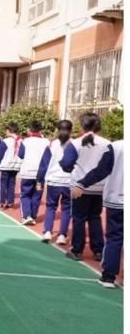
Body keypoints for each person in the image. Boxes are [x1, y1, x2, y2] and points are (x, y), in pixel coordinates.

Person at [59, 112, 109, 263]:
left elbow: (66, 163)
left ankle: (77, 249)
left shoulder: (75, 143)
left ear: (82, 126)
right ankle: (98, 250)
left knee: (78, 218)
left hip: (79, 186)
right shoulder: (107, 143)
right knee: (95, 217)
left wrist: (70, 169)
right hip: (100, 186)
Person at [73, 137, 123, 288]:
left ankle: (108, 277)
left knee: (114, 237)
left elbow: (101, 170)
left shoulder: (116, 147)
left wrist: (82, 183)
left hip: (117, 198)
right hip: (116, 199)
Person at [36, 119, 73, 244]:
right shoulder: (75, 145)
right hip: (69, 181)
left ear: (57, 130)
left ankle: (47, 232)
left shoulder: (52, 145)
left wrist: (40, 180)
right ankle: (62, 235)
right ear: (71, 130)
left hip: (53, 180)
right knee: (66, 208)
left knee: (51, 206)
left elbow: (44, 164)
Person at [17, 120, 49, 225]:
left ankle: (26, 215)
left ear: (29, 130)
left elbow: (21, 155)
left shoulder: (26, 141)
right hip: (41, 173)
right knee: (37, 195)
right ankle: (33, 216)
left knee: (25, 194)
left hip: (27, 172)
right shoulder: (46, 142)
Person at [0, 122, 21, 209]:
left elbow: (0, 154)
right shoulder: (21, 141)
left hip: (5, 165)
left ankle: (1, 202)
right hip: (15, 166)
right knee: (11, 185)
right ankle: (10, 203)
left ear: (9, 131)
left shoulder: (6, 141)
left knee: (2, 184)